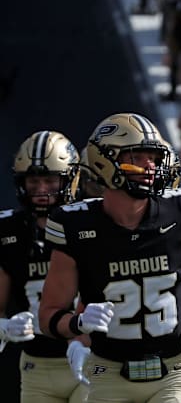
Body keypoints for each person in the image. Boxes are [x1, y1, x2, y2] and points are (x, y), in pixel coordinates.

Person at [38, 113, 181, 402]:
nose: (150, 166)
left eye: (153, 157)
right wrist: (78, 325)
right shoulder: (75, 226)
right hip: (108, 371)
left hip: (173, 368)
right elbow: (50, 313)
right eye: (138, 157)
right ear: (104, 160)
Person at [0, 131, 87, 403]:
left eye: (50, 180)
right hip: (37, 363)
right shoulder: (8, 231)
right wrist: (4, 327)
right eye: (33, 180)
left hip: (90, 355)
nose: (40, 189)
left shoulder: (90, 224)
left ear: (70, 179)